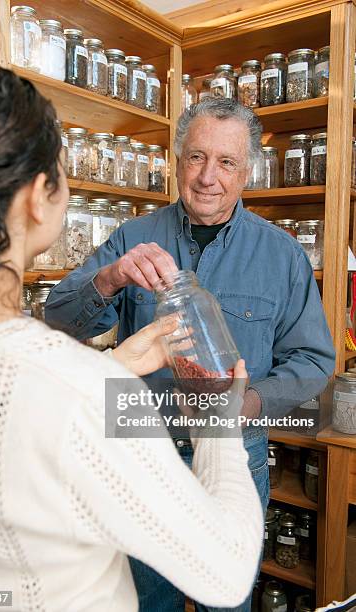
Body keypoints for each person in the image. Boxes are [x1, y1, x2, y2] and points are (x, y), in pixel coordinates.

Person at [0, 65, 264, 611]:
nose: (209, 175)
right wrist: (215, 420)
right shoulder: (80, 390)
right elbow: (227, 570)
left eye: (227, 162)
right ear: (35, 199)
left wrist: (113, 367)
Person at [46, 97, 336, 612]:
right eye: (196, 157)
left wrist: (247, 404)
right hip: (142, 452)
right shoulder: (133, 239)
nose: (208, 176)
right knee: (144, 598)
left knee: (225, 600)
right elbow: (59, 317)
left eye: (226, 162)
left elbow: (313, 361)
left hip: (236, 457)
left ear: (247, 171)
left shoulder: (283, 255)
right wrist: (111, 276)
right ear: (177, 161)